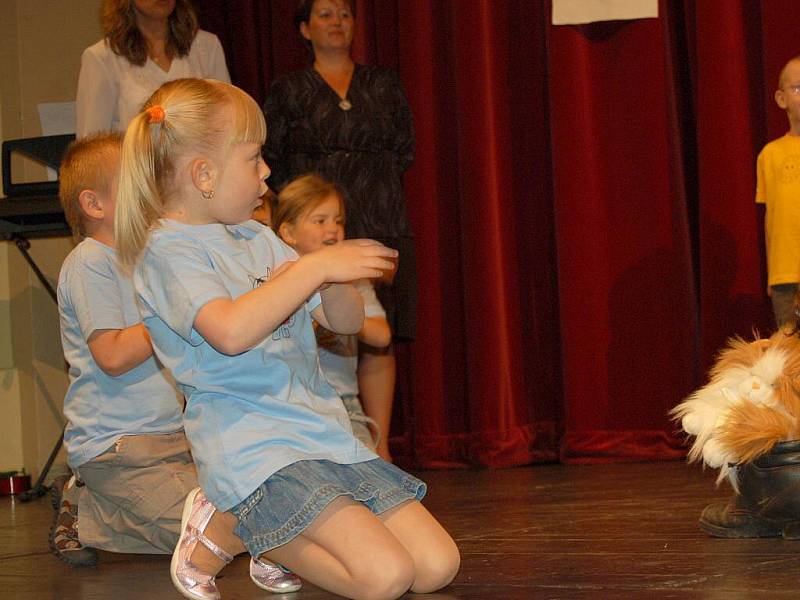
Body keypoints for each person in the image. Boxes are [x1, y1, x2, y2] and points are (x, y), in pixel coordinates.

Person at [115, 77, 459, 599]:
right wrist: (312, 267)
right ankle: (232, 523)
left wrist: (336, 276)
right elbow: (230, 332)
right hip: (254, 446)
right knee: (384, 578)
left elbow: (342, 324)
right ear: (203, 174)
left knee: (436, 566)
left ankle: (271, 533)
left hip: (317, 430)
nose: (266, 172)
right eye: (254, 158)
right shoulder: (169, 252)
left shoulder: (257, 236)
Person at [53, 132, 301, 593]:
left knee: (231, 512)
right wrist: (170, 312)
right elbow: (110, 355)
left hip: (175, 442)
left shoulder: (156, 255)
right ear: (95, 203)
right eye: (136, 181)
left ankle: (93, 517)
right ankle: (98, 502)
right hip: (121, 449)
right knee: (226, 528)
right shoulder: (91, 262)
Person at [263, 0, 416, 461]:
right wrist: (308, 215)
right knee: (321, 321)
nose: (336, 22)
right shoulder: (289, 88)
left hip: (378, 216)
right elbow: (271, 154)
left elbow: (405, 148)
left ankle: (380, 444)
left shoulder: (383, 81)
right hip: (313, 220)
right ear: (305, 28)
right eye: (325, 14)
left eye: (344, 14)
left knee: (377, 331)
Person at [273, 173, 389, 451]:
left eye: (338, 221)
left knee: (368, 479)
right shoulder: (278, 278)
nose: (333, 229)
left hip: (344, 403)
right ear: (288, 233)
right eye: (320, 220)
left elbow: (382, 336)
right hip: (293, 404)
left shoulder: (353, 279)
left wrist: (344, 320)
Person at [76, 0, 230, 137]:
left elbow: (228, 120)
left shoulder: (207, 46)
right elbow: (90, 146)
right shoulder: (101, 58)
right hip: (136, 167)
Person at [757, 55, 800, 327]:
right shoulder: (770, 155)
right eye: (798, 87)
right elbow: (770, 218)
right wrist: (773, 273)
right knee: (791, 354)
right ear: (781, 98)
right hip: (786, 277)